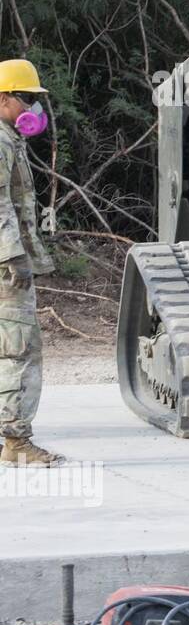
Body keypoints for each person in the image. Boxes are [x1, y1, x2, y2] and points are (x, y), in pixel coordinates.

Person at [0, 59, 60, 467]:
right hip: (5, 264)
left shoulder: (9, 140)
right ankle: (16, 442)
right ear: (3, 99)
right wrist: (13, 255)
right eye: (26, 98)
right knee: (19, 349)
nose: (33, 109)